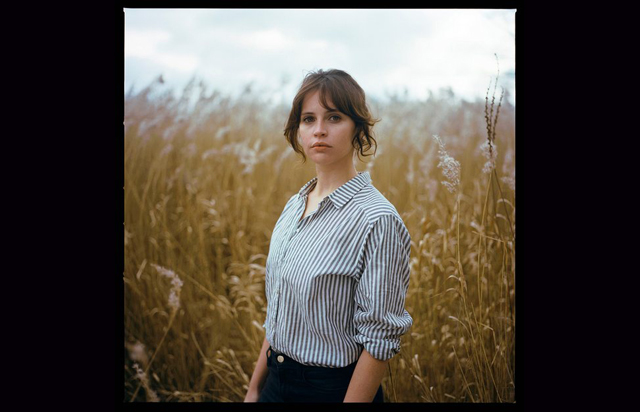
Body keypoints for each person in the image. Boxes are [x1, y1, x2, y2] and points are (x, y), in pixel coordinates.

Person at [243, 69, 413, 403]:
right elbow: (281, 311)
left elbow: (379, 341)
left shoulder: (376, 219)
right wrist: (254, 388)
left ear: (358, 129)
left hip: (333, 391)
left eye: (334, 117)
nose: (319, 130)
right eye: (308, 119)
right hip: (274, 381)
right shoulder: (294, 205)